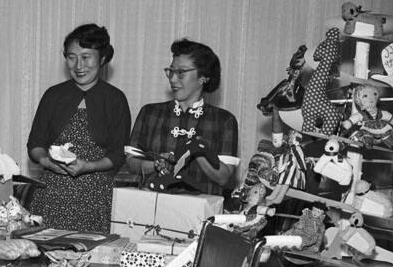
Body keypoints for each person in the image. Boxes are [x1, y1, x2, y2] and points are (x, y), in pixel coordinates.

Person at [27, 24, 131, 233]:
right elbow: (35, 144)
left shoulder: (115, 99)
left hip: (96, 196)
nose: (78, 65)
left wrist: (88, 166)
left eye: (86, 57)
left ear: (102, 59)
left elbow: (118, 154)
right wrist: (46, 161)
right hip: (52, 193)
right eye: (72, 57)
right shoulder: (53, 95)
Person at [127, 39, 237, 196]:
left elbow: (223, 178)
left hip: (200, 212)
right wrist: (156, 164)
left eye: (181, 73)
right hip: (153, 205)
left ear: (203, 77)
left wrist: (197, 150)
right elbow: (131, 163)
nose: (172, 79)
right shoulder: (150, 112)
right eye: (171, 71)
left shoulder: (224, 120)